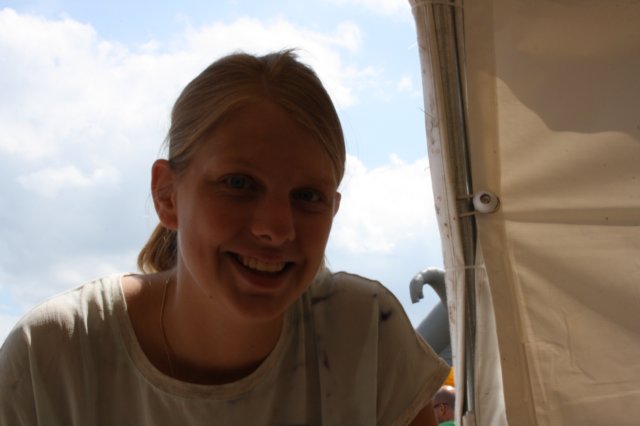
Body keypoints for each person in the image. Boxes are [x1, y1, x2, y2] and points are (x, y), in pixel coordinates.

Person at [0, 50, 450, 425]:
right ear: (167, 195)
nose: (276, 227)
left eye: (307, 196)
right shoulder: (53, 354)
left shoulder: (365, 332)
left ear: (333, 209)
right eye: (239, 183)